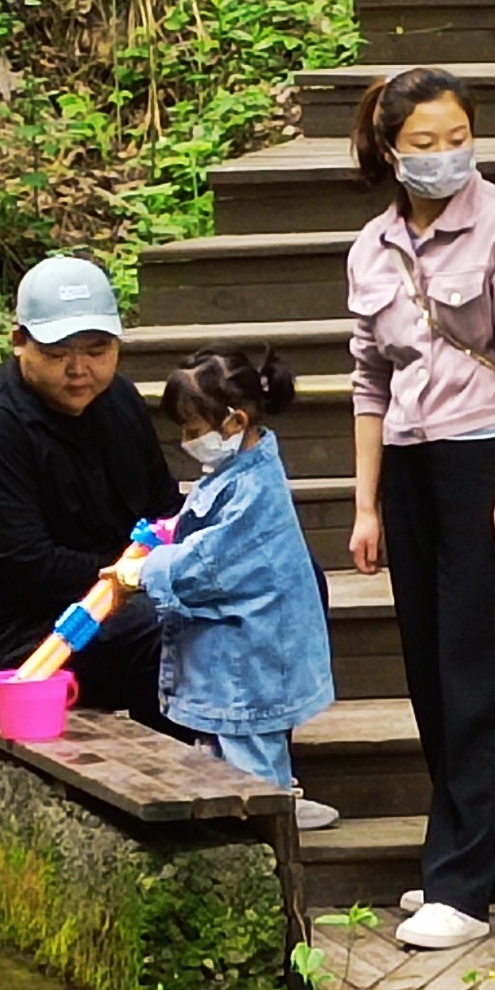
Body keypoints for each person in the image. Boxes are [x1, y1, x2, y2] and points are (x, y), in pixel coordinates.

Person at [344, 66, 495, 952]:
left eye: (457, 138)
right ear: (392, 151)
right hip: (408, 465)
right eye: (424, 144)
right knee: (433, 674)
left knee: (479, 674)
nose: (444, 157)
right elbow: (369, 377)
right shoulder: (371, 247)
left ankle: (460, 887)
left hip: (491, 459)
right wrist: (366, 505)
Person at [0, 254, 181, 721]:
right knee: (169, 626)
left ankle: (259, 762)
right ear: (19, 343)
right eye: (56, 353)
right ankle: (190, 778)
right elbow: (29, 565)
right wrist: (146, 579)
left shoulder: (119, 401)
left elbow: (164, 509)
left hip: (121, 594)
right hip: (31, 636)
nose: (78, 369)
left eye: (96, 349)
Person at [137, 348, 341, 829]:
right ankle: (267, 809)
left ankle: (268, 836)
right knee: (221, 750)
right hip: (238, 653)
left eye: (192, 431)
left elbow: (210, 564)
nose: (187, 442)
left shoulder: (255, 488)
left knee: (246, 754)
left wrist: (146, 572)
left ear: (234, 422)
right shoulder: (238, 468)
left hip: (251, 655)